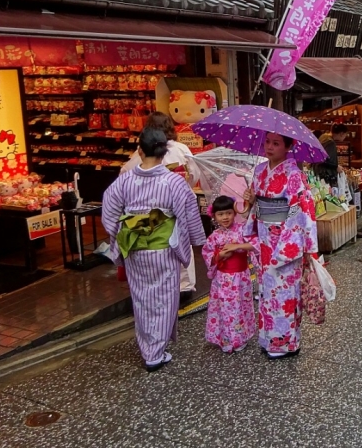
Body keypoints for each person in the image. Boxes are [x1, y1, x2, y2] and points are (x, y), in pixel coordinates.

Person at [102, 127, 206, 371]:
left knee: (141, 299)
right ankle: (154, 352)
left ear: (140, 150)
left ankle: (148, 346)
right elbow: (190, 212)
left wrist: (121, 234)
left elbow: (109, 213)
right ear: (165, 152)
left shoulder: (125, 180)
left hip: (135, 248)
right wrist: (197, 241)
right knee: (165, 299)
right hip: (163, 248)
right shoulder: (173, 182)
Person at [242, 132, 318, 359]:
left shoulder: (294, 175)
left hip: (285, 240)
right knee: (266, 291)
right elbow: (253, 209)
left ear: (288, 147)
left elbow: (301, 208)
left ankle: (285, 344)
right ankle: (268, 338)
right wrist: (252, 199)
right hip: (265, 239)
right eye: (267, 142)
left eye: (276, 143)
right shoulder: (259, 171)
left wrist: (287, 232)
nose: (269, 147)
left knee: (284, 292)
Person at [120, 111, 198, 296]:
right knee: (181, 242)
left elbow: (125, 173)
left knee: (156, 245)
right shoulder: (181, 149)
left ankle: (158, 285)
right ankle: (184, 285)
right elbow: (194, 174)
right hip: (178, 203)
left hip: (150, 207)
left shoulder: (141, 152)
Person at [202, 195, 259, 354]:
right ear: (214, 216)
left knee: (240, 307)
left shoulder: (242, 229)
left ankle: (239, 338)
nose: (225, 217)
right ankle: (227, 339)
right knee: (225, 308)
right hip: (222, 279)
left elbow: (255, 244)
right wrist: (219, 256)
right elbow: (207, 254)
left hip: (241, 277)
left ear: (234, 213)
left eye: (228, 213)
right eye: (220, 214)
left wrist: (235, 247)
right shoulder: (214, 237)